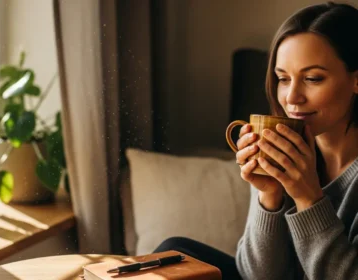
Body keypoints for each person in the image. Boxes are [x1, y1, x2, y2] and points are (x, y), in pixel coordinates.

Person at [153, 2, 358, 279]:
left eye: (312, 78)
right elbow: (257, 276)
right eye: (283, 79)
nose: (291, 97)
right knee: (173, 253)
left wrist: (308, 198)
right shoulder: (283, 151)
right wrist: (269, 196)